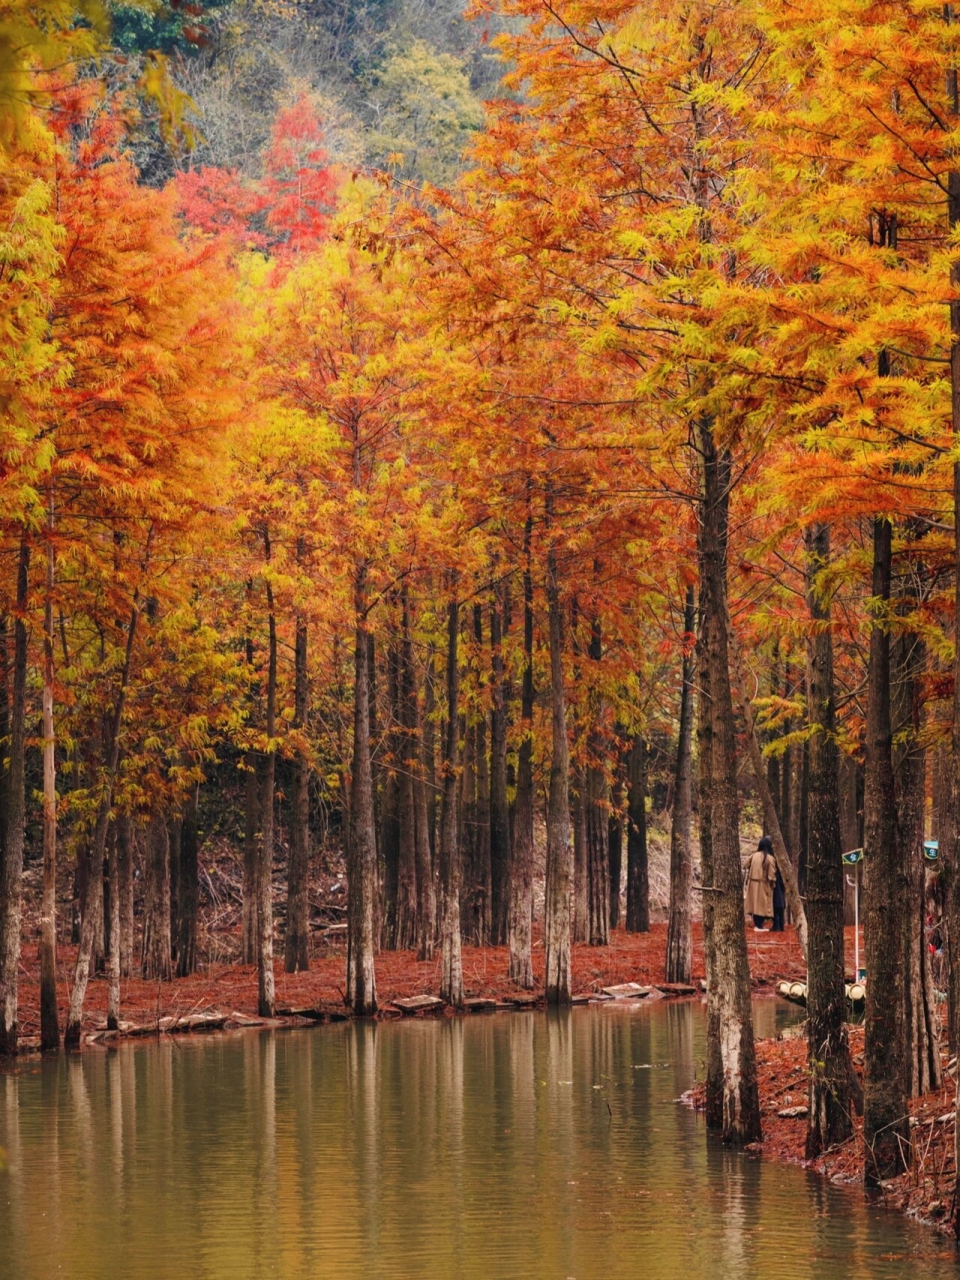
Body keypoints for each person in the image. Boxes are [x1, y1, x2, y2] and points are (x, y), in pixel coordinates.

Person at [744, 835, 776, 931]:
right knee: (761, 905)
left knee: (754, 904)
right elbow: (771, 875)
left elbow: (745, 864)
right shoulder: (770, 858)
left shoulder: (754, 855)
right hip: (763, 884)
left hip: (752, 883)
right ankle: (759, 925)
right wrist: (772, 883)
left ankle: (758, 925)